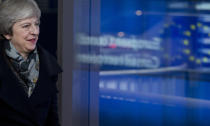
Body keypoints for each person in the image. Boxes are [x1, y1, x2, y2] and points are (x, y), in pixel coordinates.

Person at [0, 0, 62, 125]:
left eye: (36, 24)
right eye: (26, 26)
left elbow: (52, 119)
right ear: (7, 33)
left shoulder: (48, 64)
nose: (35, 31)